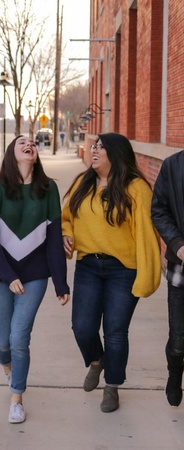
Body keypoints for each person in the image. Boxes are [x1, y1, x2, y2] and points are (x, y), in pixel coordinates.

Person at [62, 132, 161, 413]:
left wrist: (147, 276)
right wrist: (65, 234)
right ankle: (96, 361)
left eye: (101, 148)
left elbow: (146, 235)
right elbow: (66, 217)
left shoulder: (136, 188)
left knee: (116, 332)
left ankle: (113, 386)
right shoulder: (83, 183)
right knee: (82, 327)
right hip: (88, 266)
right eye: (94, 146)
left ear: (116, 154)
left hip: (123, 270)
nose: (94, 151)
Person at [0, 135, 70, 424]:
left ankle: (16, 397)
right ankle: (8, 367)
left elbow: (55, 238)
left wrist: (60, 282)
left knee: (19, 337)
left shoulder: (49, 189)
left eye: (33, 142)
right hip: (0, 275)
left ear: (36, 154)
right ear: (12, 152)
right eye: (22, 142)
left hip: (34, 276)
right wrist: (8, 277)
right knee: (2, 341)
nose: (29, 144)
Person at [151, 151, 184, 407]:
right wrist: (177, 244)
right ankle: (175, 375)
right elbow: (159, 209)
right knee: (178, 343)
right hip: (181, 268)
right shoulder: (173, 165)